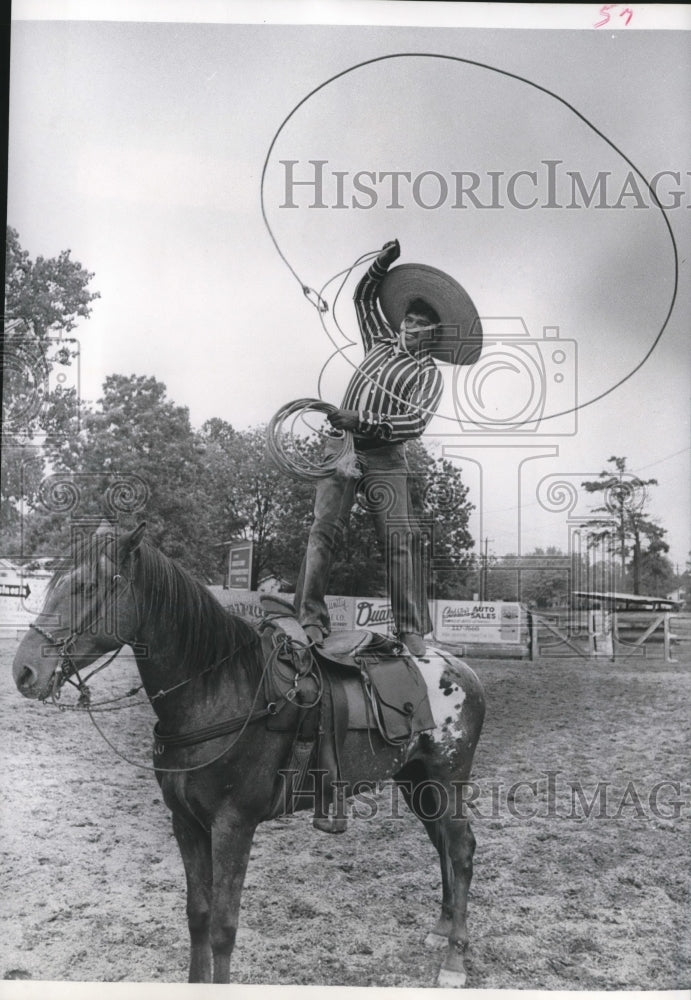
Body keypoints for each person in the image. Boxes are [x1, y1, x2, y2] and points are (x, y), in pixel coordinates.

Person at [294, 238, 481, 658]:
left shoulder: (429, 375)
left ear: (433, 333)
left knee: (400, 536)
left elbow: (412, 424)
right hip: (342, 446)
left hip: (384, 455)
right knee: (324, 528)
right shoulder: (377, 341)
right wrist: (381, 263)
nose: (409, 326)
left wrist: (359, 418)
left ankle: (411, 628)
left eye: (419, 324)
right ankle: (309, 617)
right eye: (408, 319)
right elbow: (362, 299)